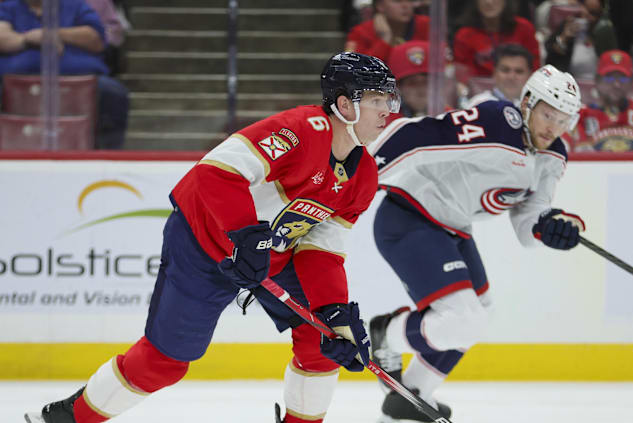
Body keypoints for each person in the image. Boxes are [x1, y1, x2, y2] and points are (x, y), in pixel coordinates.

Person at [23, 52, 400, 423]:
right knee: (164, 363)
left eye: (389, 99)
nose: (388, 110)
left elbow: (322, 250)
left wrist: (333, 308)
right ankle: (69, 419)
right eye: (376, 100)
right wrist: (247, 236)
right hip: (204, 243)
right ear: (343, 104)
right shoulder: (298, 130)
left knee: (325, 342)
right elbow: (216, 172)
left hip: (273, 256)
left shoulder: (364, 175)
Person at [367, 64, 585, 422]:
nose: (554, 128)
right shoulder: (498, 121)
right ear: (528, 102)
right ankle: (386, 334)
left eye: (564, 121)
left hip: (452, 229)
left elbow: (529, 221)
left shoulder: (553, 154)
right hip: (409, 217)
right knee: (464, 320)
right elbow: (418, 136)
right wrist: (357, 179)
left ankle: (411, 397)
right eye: (549, 115)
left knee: (481, 315)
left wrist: (549, 227)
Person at [0, 0, 130, 149]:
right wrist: (29, 38)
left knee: (112, 91)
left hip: (81, 78)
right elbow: (2, 36)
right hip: (13, 80)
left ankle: (106, 155)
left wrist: (54, 33)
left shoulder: (76, 6)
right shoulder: (8, 7)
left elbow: (96, 38)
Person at [569, 50, 633, 152]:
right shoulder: (581, 115)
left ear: (632, 82)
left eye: (623, 79)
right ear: (597, 80)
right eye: (609, 78)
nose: (617, 84)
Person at [452, 0, 540, 82]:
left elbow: (535, 70)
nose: (489, 2)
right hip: (479, 93)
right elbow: (463, 79)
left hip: (519, 91)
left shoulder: (524, 28)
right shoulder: (464, 35)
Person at [544, 0, 618, 79]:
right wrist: (564, 38)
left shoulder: (604, 33)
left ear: (599, 16)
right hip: (568, 82)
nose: (586, 14)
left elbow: (612, 67)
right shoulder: (568, 24)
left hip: (596, 84)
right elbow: (550, 63)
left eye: (592, 13)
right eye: (585, 7)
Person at [345, 0, 430, 63]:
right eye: (397, 1)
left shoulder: (426, 25)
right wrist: (385, 39)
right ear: (380, 6)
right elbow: (354, 68)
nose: (405, 5)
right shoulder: (359, 32)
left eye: (409, 0)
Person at [466, 42, 533, 108]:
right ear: (494, 72)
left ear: (530, 76)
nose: (511, 77)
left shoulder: (536, 107)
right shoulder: (480, 104)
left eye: (519, 71)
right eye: (505, 70)